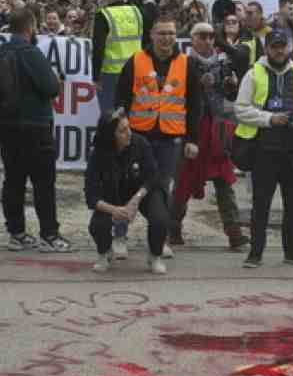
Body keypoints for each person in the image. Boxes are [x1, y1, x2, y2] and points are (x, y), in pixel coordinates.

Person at [114, 16, 203, 264]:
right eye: (161, 33)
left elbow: (195, 105)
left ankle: (159, 240)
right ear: (152, 35)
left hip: (170, 139)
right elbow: (121, 98)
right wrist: (121, 128)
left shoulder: (186, 64)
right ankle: (119, 237)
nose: (166, 38)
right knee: (127, 186)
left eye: (171, 33)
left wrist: (192, 139)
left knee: (163, 191)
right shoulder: (136, 60)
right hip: (137, 136)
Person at [235, 30, 293, 268]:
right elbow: (241, 109)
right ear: (267, 48)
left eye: (283, 46)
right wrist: (269, 119)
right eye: (274, 46)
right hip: (264, 150)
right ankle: (255, 253)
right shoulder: (253, 73)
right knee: (260, 205)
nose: (279, 50)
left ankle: (291, 251)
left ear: (290, 47)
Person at [0, 9, 72, 253]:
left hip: (5, 124)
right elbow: (50, 87)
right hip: (35, 125)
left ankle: (16, 234)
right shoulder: (30, 51)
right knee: (43, 182)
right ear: (30, 27)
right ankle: (49, 235)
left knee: (13, 179)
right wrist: (56, 82)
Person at [170, 22, 249, 251]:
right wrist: (196, 84)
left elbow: (231, 95)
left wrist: (231, 86)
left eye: (211, 36)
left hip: (217, 128)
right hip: (192, 129)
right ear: (193, 39)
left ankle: (234, 232)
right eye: (202, 36)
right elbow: (173, 91)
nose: (207, 41)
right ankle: (173, 227)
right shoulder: (182, 63)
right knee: (183, 180)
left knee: (224, 180)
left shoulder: (224, 63)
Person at [85, 110, 171, 273]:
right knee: (97, 224)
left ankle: (155, 255)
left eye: (128, 127)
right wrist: (114, 210)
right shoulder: (98, 154)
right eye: (122, 131)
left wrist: (135, 200)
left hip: (143, 191)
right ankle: (105, 253)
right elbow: (91, 195)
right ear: (110, 136)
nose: (129, 133)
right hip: (113, 195)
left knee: (160, 218)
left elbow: (153, 176)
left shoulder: (140, 143)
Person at [92, 0, 145, 112]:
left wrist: (96, 77)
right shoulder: (136, 11)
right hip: (135, 69)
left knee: (110, 113)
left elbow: (98, 48)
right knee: (132, 111)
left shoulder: (103, 14)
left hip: (111, 74)